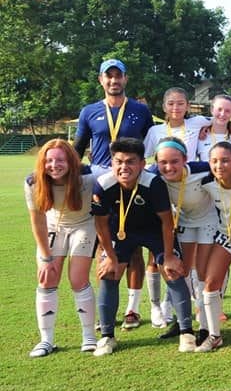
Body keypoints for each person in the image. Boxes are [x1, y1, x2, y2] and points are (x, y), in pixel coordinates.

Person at [90, 137, 194, 355]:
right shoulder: (103, 184)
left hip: (155, 232)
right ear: (112, 162)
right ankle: (107, 337)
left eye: (130, 162)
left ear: (142, 164)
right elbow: (100, 225)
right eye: (119, 161)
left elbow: (167, 222)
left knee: (173, 271)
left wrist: (168, 255)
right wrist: (109, 256)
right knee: (109, 273)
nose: (124, 167)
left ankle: (187, 332)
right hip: (121, 233)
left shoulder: (153, 183)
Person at [73, 58, 153, 331]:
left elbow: (150, 144)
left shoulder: (141, 111)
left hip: (132, 182)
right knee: (103, 246)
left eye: (118, 76)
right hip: (102, 185)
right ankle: (106, 311)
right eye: (109, 77)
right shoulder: (89, 111)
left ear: (126, 79)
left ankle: (132, 308)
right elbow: (78, 147)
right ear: (101, 80)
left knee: (134, 248)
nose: (113, 81)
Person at [25, 140, 102, 356]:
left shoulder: (87, 177)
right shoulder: (33, 182)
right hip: (53, 227)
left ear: (70, 160)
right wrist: (46, 256)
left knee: (78, 279)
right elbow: (37, 220)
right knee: (47, 278)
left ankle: (88, 336)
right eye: (49, 160)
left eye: (60, 160)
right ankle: (46, 340)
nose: (54, 165)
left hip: (83, 225)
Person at [150, 137, 219, 345]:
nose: (169, 167)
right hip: (184, 222)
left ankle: (205, 326)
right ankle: (182, 321)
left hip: (208, 220)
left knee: (203, 273)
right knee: (182, 271)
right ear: (156, 162)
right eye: (163, 162)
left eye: (174, 161)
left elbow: (226, 164)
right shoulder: (153, 175)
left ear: (185, 160)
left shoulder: (202, 169)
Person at [198, 141, 231, 352]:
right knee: (211, 282)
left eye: (225, 160)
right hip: (227, 235)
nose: (219, 165)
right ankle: (214, 335)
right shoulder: (206, 183)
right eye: (214, 161)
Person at [143, 87, 211, 160]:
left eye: (180, 103)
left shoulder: (197, 122)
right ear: (164, 107)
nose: (175, 107)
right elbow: (145, 157)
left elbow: (221, 119)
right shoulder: (154, 131)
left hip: (189, 170)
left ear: (187, 106)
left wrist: (207, 128)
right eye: (171, 104)